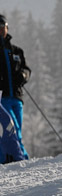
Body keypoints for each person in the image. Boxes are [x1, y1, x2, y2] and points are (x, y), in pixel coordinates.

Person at [0, 15, 30, 162]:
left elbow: (26, 69)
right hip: (3, 97)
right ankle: (21, 157)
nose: (1, 31)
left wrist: (23, 76)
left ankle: (6, 157)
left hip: (17, 97)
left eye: (3, 27)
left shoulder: (16, 50)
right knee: (12, 128)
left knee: (15, 129)